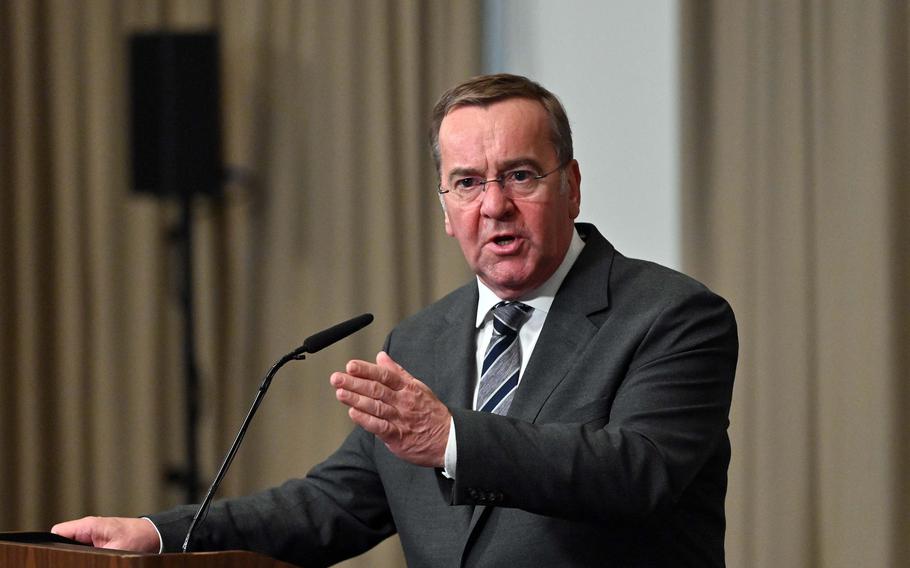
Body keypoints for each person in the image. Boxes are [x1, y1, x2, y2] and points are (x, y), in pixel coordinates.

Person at [53, 74, 738, 567]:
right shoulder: (422, 340)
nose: (494, 205)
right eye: (468, 182)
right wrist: (163, 535)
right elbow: (333, 506)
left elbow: (637, 473)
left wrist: (451, 439)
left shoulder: (672, 317)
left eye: (521, 175)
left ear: (572, 185)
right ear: (445, 209)